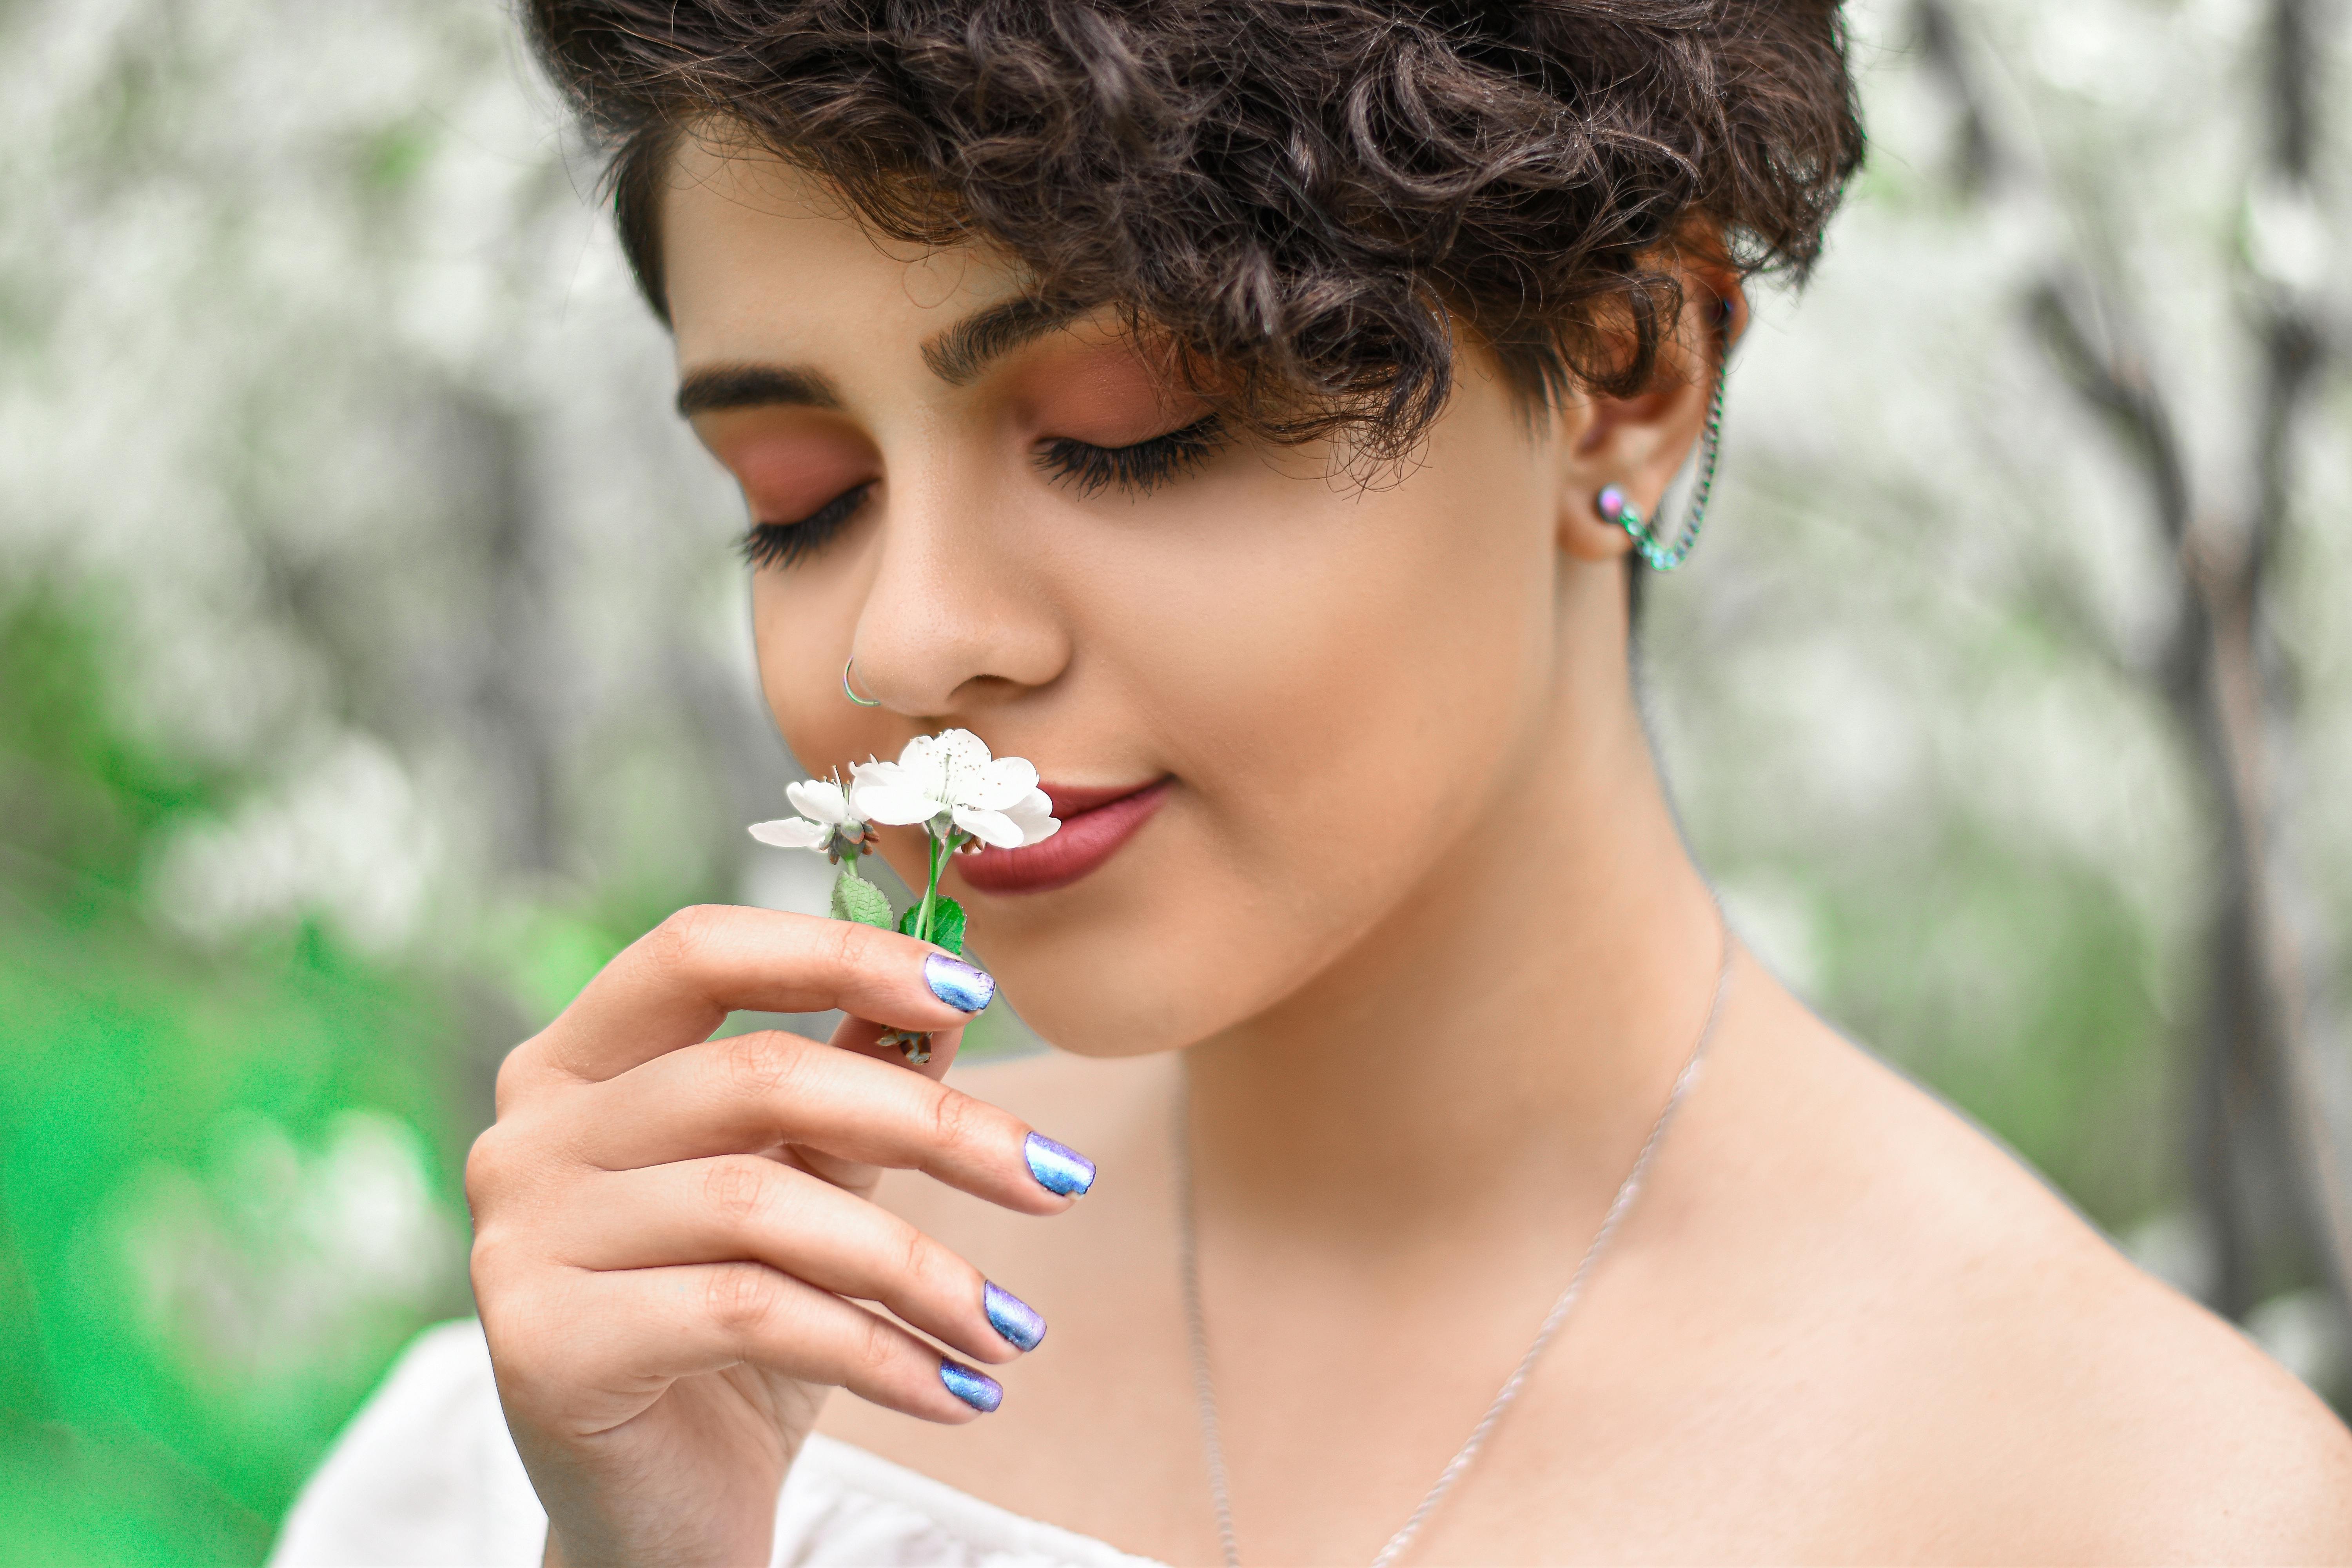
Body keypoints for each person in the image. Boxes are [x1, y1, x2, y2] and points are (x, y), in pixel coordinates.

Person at [274, 3, 2352, 1564]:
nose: (906, 641)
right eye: (797, 496)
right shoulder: (619, 1398)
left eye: (1124, 430)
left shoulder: (2151, 1511)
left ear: (1627, 370)